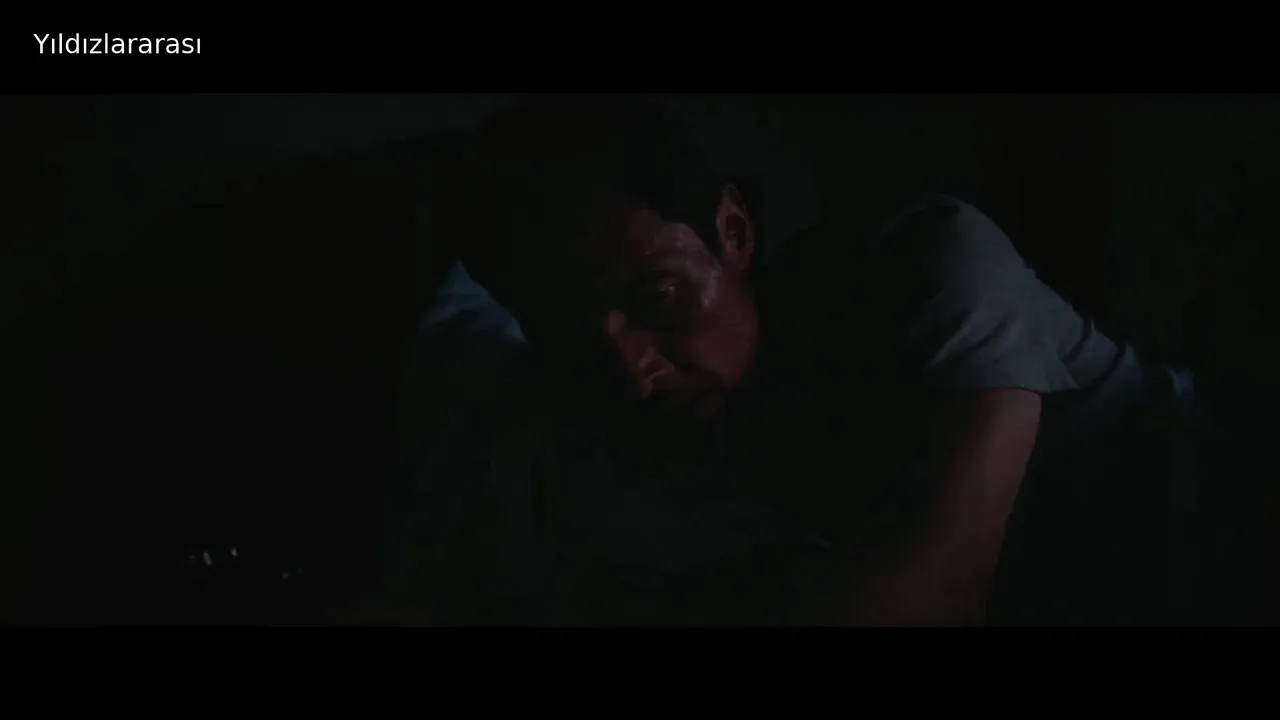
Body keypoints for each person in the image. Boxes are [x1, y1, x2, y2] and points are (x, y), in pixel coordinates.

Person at [384, 95, 1196, 626]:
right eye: (572, 332)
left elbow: (938, 593)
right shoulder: (621, 444)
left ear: (733, 232)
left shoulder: (929, 265)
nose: (632, 370)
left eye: (658, 298)